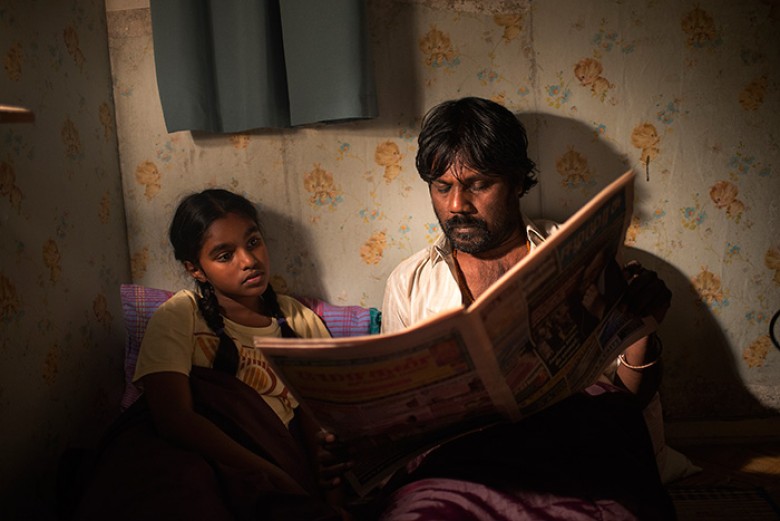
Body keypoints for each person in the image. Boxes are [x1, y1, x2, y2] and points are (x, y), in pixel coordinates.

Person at [377, 97, 674, 520]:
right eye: (442, 187)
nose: (456, 204)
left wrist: (643, 330)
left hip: (574, 450)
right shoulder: (409, 283)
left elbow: (630, 399)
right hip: (462, 467)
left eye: (477, 184)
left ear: (517, 182)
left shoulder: (581, 251)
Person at [75, 189, 349, 521]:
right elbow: (173, 419)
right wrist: (273, 476)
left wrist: (330, 503)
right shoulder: (181, 314)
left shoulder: (298, 319)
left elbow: (322, 423)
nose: (248, 260)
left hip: (280, 460)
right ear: (196, 269)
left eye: (252, 242)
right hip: (205, 459)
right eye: (224, 255)